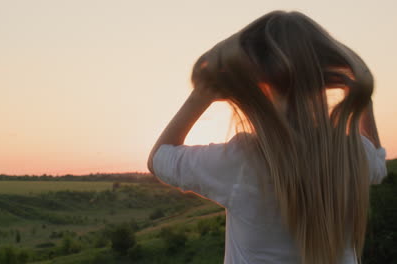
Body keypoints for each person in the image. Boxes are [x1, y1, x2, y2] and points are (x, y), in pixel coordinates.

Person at [147, 10, 388, 264]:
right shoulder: (352, 152)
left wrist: (202, 94)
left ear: (257, 83)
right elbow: (378, 162)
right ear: (322, 80)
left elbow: (159, 159)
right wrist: (361, 102)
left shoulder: (242, 160)